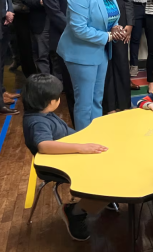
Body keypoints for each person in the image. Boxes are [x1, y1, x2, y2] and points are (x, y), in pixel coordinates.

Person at [22, 73, 110, 241]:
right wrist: (80, 148)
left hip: (69, 155)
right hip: (56, 166)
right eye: (57, 97)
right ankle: (75, 212)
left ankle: (98, 199)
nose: (59, 100)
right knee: (109, 182)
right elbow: (44, 145)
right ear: (49, 102)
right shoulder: (37, 122)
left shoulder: (43, 112)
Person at [57, 0, 125, 131]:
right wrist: (109, 36)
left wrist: (115, 27)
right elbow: (78, 28)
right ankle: (83, 140)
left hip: (100, 51)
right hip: (80, 53)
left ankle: (94, 134)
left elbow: (111, 16)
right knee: (85, 102)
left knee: (97, 99)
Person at [85, 0, 137, 115]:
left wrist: (129, 24)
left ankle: (124, 104)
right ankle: (109, 106)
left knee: (122, 63)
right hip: (99, 27)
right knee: (104, 68)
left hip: (119, 23)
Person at [39, 0, 84, 125]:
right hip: (68, 40)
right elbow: (54, 12)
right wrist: (80, 31)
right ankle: (79, 127)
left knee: (87, 87)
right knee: (74, 88)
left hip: (87, 39)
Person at [2, 0, 36, 77]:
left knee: (38, 45)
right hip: (20, 17)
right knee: (25, 46)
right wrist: (22, 7)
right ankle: (30, 74)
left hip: (35, 14)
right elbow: (8, 3)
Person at [0, 0, 19, 115]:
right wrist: (3, 13)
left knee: (1, 64)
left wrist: (10, 11)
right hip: (2, 20)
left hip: (4, 25)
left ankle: (2, 94)